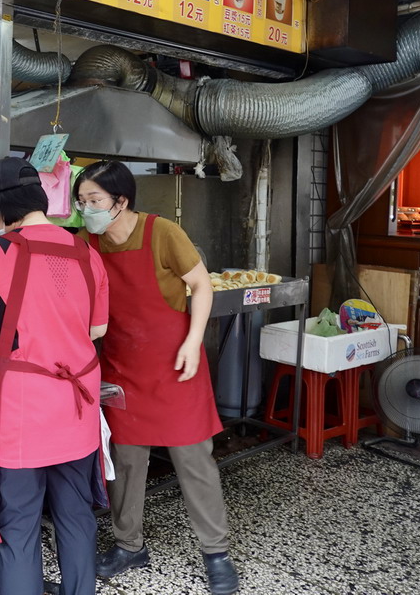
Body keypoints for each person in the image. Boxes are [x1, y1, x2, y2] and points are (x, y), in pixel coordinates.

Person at [74, 160, 239, 595]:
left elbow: (201, 285)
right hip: (122, 368)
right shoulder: (87, 242)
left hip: (176, 365)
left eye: (94, 200)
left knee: (193, 460)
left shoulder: (162, 233)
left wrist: (193, 340)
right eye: (81, 200)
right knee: (125, 463)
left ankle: (217, 553)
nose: (86, 208)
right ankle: (129, 545)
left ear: (120, 200)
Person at [0, 157, 110, 595]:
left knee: (19, 523)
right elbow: (97, 330)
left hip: (22, 412)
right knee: (76, 515)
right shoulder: (85, 252)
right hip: (77, 406)